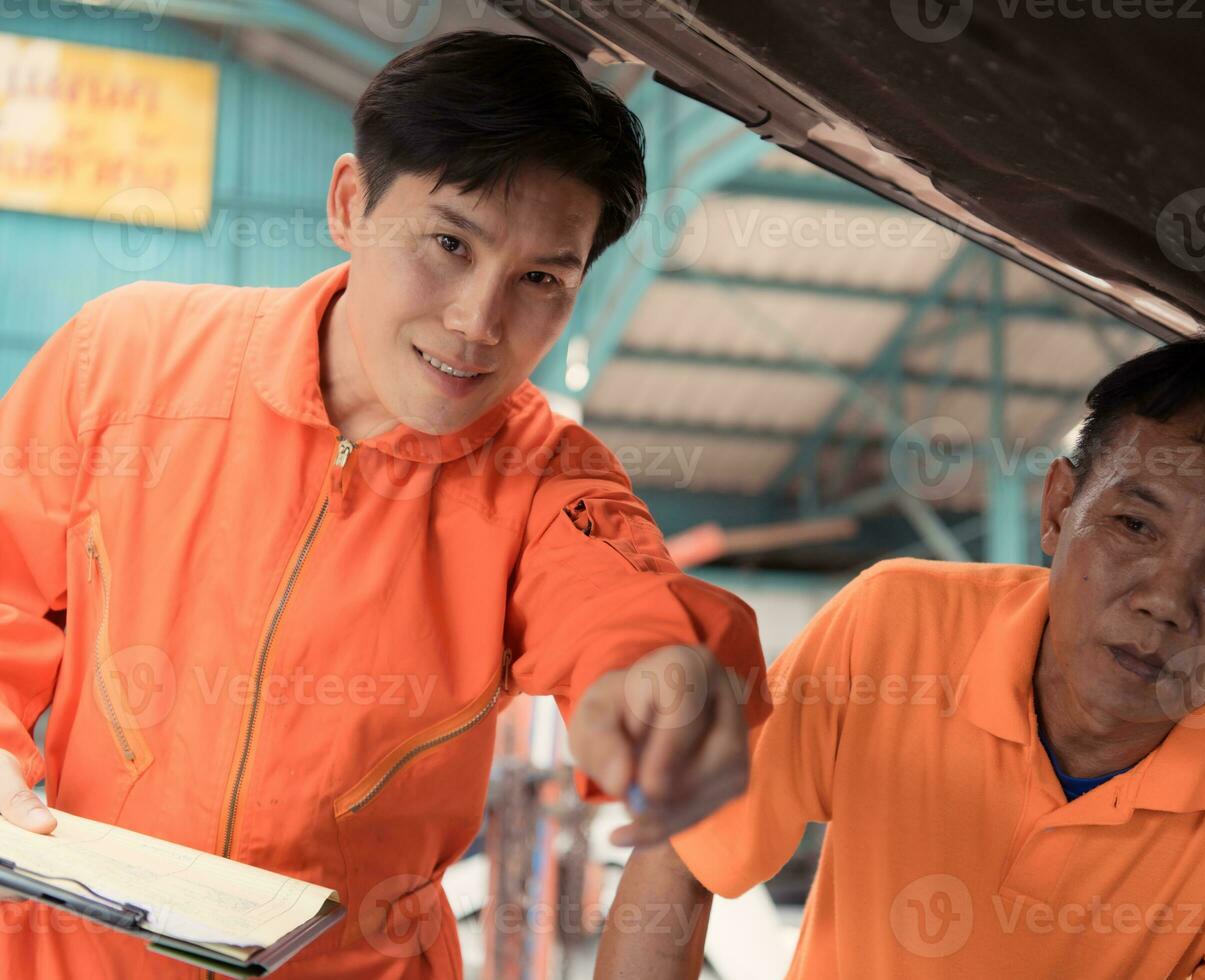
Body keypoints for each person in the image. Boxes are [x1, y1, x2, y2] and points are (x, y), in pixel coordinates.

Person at [0, 30, 768, 978]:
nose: (476, 323)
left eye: (540, 280)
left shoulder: (547, 488)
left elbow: (647, 643)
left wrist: (672, 703)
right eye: (449, 243)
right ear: (350, 203)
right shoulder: (123, 363)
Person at [597, 336, 1205, 979]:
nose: (1165, 601)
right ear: (1059, 508)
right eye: (1135, 526)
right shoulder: (895, 626)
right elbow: (684, 853)